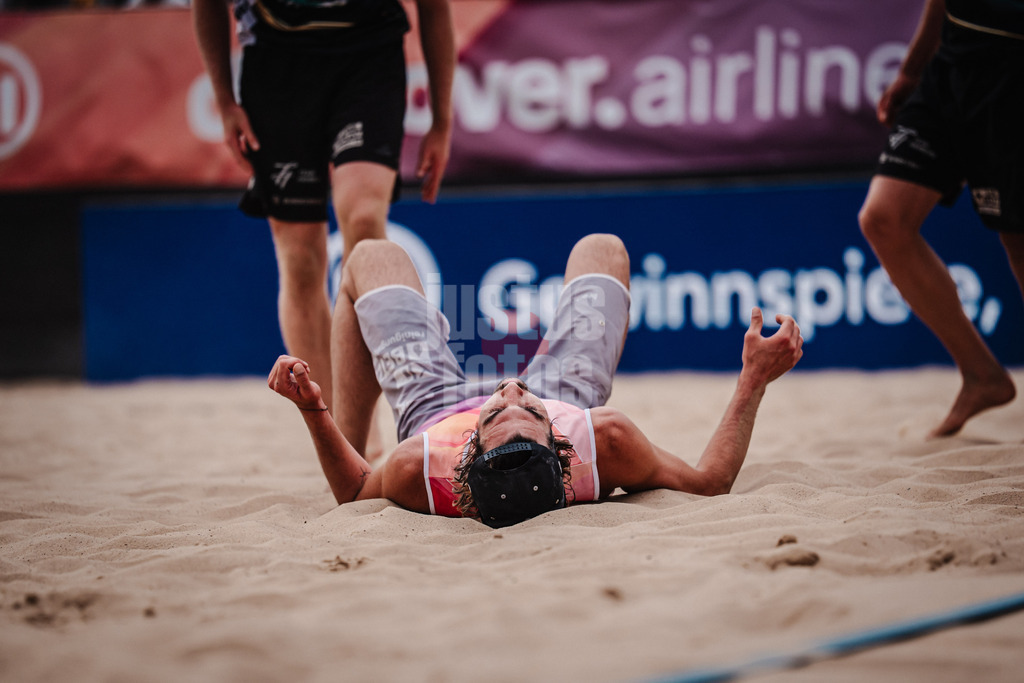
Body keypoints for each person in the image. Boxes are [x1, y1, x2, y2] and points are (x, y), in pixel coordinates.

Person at [267, 234, 804, 528]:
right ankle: (538, 412)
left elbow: (355, 492)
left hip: (435, 409)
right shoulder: (602, 441)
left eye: (498, 412)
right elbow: (709, 482)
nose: (510, 390)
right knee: (602, 250)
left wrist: (316, 412)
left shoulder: (421, 464)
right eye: (527, 409)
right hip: (565, 392)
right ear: (561, 441)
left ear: (469, 444)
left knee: (368, 257)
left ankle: (362, 443)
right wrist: (752, 380)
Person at [193, 0, 455, 413]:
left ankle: (364, 422)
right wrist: (224, 100)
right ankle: (340, 436)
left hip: (369, 50)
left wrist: (442, 120)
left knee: (365, 219)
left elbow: (434, 6)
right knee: (299, 260)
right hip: (276, 61)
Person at [858, 0, 1024, 438]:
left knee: (1018, 240)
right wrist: (912, 71)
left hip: (1011, 66)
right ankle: (981, 375)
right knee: (883, 219)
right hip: (949, 65)